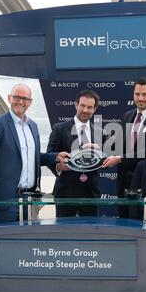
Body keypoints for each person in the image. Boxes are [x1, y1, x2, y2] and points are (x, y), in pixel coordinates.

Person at [0, 83, 60, 224]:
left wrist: (55, 157)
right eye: (17, 97)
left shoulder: (33, 126)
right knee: (5, 242)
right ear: (10, 98)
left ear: (30, 102)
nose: (21, 102)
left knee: (30, 243)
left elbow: (34, 158)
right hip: (5, 200)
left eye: (25, 99)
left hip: (30, 200)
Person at [102, 77, 146, 219]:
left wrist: (121, 158)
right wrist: (98, 145)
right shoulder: (128, 115)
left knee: (143, 225)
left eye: (144, 94)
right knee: (123, 222)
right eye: (137, 94)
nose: (140, 98)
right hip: (124, 183)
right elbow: (118, 143)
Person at [46, 89, 106, 217]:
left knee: (90, 234)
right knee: (64, 234)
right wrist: (61, 166)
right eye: (82, 105)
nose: (85, 110)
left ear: (94, 109)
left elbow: (105, 159)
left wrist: (99, 152)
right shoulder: (59, 129)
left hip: (91, 194)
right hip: (65, 194)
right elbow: (49, 156)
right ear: (76, 105)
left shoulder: (100, 132)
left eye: (89, 107)